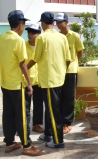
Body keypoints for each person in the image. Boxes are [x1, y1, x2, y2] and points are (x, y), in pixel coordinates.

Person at [0, 10, 43, 156]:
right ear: (20, 25)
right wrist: (29, 84)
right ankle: (26, 145)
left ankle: (9, 143)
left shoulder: (1, 38)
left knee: (8, 114)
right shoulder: (18, 40)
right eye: (24, 25)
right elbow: (22, 64)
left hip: (5, 83)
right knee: (23, 115)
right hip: (17, 84)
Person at [28, 12, 71, 149]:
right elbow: (68, 59)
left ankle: (58, 141)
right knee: (52, 109)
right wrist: (61, 71)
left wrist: (22, 69)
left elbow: (35, 58)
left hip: (48, 80)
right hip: (59, 78)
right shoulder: (62, 37)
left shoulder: (42, 38)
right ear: (53, 23)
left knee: (53, 111)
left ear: (42, 23)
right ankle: (48, 135)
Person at [55, 13, 84, 134]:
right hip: (59, 70)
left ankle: (67, 122)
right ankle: (60, 121)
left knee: (69, 97)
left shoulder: (75, 36)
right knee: (60, 97)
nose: (58, 24)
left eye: (60, 22)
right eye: (56, 22)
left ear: (66, 22)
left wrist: (74, 63)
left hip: (71, 71)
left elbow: (79, 52)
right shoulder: (57, 36)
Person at [24, 23, 45, 133]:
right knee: (25, 105)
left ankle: (36, 124)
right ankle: (24, 126)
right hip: (26, 81)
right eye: (29, 32)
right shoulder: (23, 46)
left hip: (39, 80)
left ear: (39, 34)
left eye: (33, 33)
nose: (30, 35)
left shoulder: (41, 46)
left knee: (38, 105)